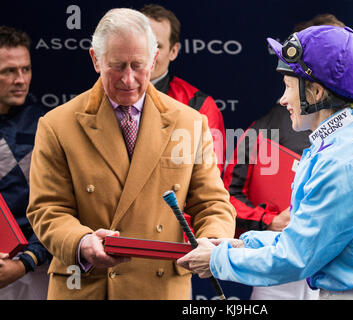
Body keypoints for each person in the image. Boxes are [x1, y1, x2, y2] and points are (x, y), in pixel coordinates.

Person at [178, 25, 353, 299]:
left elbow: (296, 257)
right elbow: (300, 236)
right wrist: (240, 245)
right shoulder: (344, 142)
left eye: (288, 86)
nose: (283, 99)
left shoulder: (343, 158)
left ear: (315, 92)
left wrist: (217, 260)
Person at [26, 8, 236, 300]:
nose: (128, 79)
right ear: (95, 60)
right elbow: (48, 209)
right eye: (117, 65)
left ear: (154, 59)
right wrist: (82, 242)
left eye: (138, 65)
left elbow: (212, 201)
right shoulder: (57, 125)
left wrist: (213, 242)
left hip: (160, 288)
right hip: (87, 286)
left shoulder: (189, 121)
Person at [222, 14, 344, 300]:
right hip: (277, 275)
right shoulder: (261, 131)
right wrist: (270, 220)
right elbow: (227, 196)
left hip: (337, 274)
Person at [140, 4, 226, 174]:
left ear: (173, 51)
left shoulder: (200, 106)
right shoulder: (105, 97)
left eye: (157, 46)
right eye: (142, 43)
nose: (147, 54)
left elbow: (209, 181)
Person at [0, 26, 51, 299]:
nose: (20, 79)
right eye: (8, 71)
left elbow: (61, 208)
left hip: (29, 273)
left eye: (25, 69)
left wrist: (26, 261)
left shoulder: (47, 128)